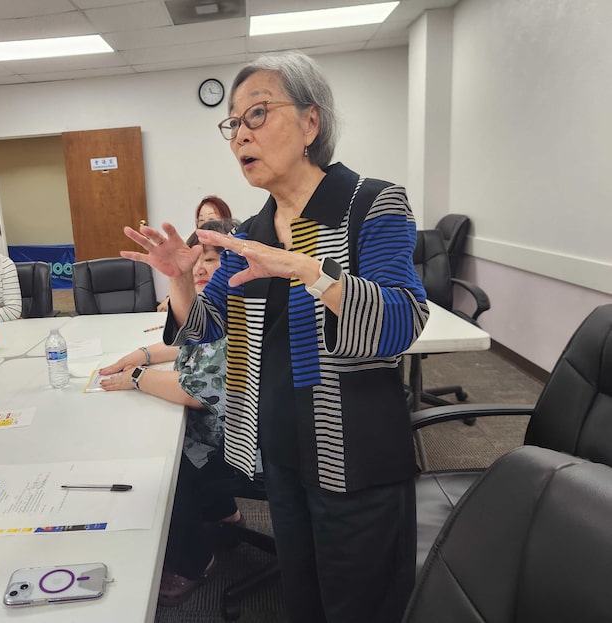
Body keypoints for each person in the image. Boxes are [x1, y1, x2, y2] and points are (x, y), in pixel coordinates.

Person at [119, 52, 429, 623]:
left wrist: (310, 272)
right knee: (304, 602)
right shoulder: (251, 231)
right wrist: (180, 276)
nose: (240, 135)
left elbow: (401, 322)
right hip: (281, 455)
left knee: (365, 606)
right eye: (233, 124)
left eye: (257, 114)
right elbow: (202, 331)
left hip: (355, 458)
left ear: (312, 123)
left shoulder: (370, 203)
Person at [100, 218, 244, 607]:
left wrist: (137, 376)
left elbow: (194, 390)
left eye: (211, 260)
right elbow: (192, 343)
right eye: (195, 257)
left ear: (233, 267)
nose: (199, 267)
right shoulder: (220, 308)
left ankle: (194, 561)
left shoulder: (240, 312)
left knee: (163, 461)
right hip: (238, 436)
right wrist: (144, 353)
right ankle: (225, 515)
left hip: (236, 449)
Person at [158, 196, 234, 312]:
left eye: (209, 259)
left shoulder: (235, 246)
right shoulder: (191, 247)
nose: (198, 270)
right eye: (201, 221)